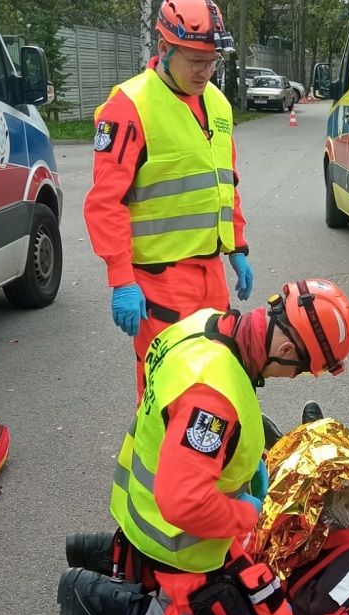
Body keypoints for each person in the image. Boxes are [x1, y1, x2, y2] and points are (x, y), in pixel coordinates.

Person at [55, 280, 349, 615]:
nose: (293, 377)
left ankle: (114, 555)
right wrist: (246, 515)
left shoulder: (204, 323)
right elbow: (184, 502)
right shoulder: (214, 399)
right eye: (299, 370)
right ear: (286, 351)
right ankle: (98, 599)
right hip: (174, 534)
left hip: (142, 509)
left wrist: (245, 469)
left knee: (267, 605)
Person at [83, 0, 254, 399]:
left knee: (218, 377)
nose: (206, 71)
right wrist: (121, 279)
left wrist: (237, 248)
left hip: (210, 274)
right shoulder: (129, 107)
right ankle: (158, 462)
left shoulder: (217, 103)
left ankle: (218, 461)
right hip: (159, 281)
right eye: (195, 60)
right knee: (169, 390)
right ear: (164, 50)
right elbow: (106, 203)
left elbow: (225, 183)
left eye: (213, 61)